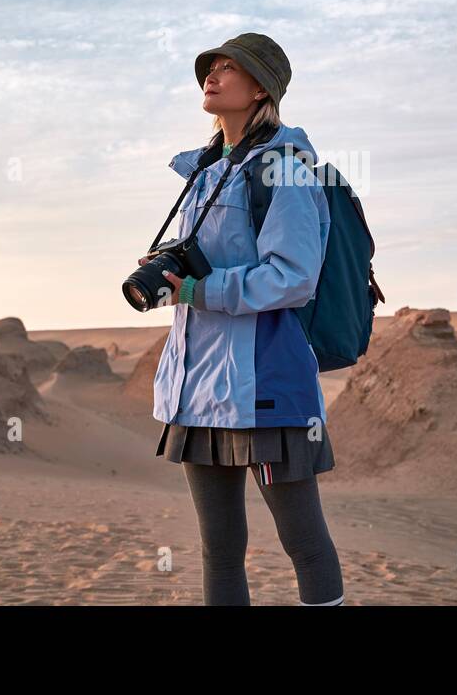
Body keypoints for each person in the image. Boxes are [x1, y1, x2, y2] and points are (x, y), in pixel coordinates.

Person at [139, 32, 345, 606]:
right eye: (211, 67)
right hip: (197, 386)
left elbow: (294, 275)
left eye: (230, 68)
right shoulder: (203, 172)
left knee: (303, 542)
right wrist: (172, 274)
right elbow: (206, 272)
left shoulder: (286, 171)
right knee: (219, 549)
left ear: (260, 89)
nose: (213, 75)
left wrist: (205, 289)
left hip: (267, 384)